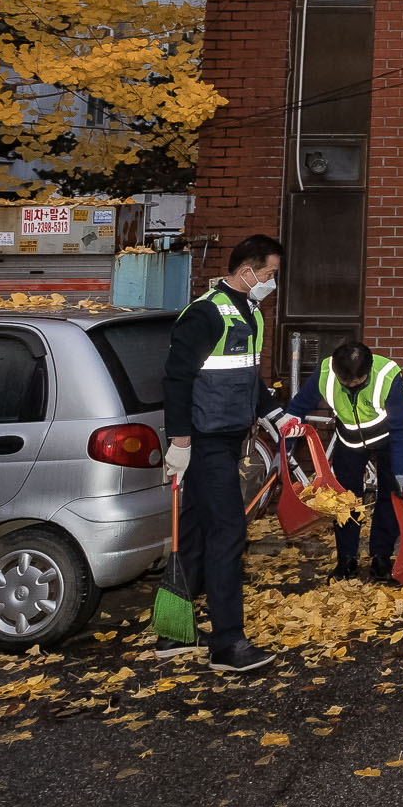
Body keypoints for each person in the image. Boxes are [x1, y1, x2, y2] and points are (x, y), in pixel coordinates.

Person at [159, 233, 287, 674]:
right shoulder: (206, 314)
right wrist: (179, 441)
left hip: (229, 435)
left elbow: (247, 374)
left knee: (194, 531)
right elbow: (177, 379)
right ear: (247, 269)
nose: (271, 281)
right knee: (229, 533)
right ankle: (228, 644)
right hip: (204, 439)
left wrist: (275, 413)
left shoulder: (248, 312)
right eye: (269, 274)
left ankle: (173, 634)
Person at [288, 339, 403, 582]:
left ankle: (381, 558)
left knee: (390, 497)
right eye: (348, 383)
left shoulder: (388, 375)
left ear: (368, 370)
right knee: (345, 501)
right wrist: (287, 448)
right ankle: (346, 560)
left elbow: (402, 426)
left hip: (387, 441)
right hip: (349, 442)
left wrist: (399, 471)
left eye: (358, 382)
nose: (353, 387)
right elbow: (297, 408)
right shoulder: (325, 372)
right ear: (336, 370)